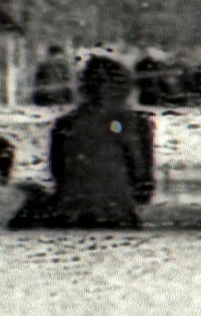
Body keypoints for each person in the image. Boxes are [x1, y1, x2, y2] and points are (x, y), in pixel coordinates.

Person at [26, 53, 158, 230]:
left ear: (84, 88)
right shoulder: (136, 124)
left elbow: (58, 173)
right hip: (118, 217)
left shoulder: (65, 125)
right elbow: (144, 183)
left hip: (69, 217)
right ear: (124, 88)